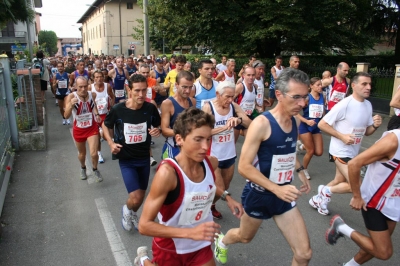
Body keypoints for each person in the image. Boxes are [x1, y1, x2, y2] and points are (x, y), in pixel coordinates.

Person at [214, 68, 312, 265]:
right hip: (259, 194)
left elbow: (287, 151)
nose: (302, 103)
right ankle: (222, 241)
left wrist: (300, 170)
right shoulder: (262, 123)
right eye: (296, 97)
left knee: (304, 254)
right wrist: (275, 188)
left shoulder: (293, 120)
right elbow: (244, 167)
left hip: (283, 196)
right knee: (244, 237)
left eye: (305, 97)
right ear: (279, 95)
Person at [134, 107, 244, 266]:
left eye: (208, 139)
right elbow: (144, 226)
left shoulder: (210, 162)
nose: (205, 147)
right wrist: (190, 233)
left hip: (200, 247)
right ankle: (144, 261)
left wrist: (227, 197)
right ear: (179, 139)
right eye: (198, 139)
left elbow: (207, 186)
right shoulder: (168, 174)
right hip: (170, 249)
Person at [309, 72, 382, 216]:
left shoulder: (367, 105)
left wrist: (375, 126)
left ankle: (318, 198)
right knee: (357, 186)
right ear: (353, 86)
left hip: (353, 152)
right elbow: (323, 124)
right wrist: (341, 136)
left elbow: (366, 132)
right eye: (364, 84)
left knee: (339, 180)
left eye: (370, 84)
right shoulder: (344, 104)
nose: (368, 87)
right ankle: (325, 191)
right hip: (340, 151)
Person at [326, 128, 400, 265]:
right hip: (373, 201)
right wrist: (357, 196)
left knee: (376, 245)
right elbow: (354, 164)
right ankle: (341, 227)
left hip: (394, 202)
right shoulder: (393, 140)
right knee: (384, 252)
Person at [102, 74, 161, 232]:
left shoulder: (150, 108)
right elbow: (105, 124)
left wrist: (157, 130)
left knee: (140, 196)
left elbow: (158, 126)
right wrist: (110, 142)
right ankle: (127, 211)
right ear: (129, 89)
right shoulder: (118, 109)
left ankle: (131, 211)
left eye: (144, 90)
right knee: (135, 197)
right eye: (137, 91)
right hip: (126, 159)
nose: (141, 95)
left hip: (144, 158)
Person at [203, 81, 252, 219]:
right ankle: (203, 211)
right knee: (220, 189)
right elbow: (202, 132)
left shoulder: (233, 106)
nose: (230, 100)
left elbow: (250, 123)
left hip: (229, 155)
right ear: (218, 94)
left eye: (232, 97)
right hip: (213, 155)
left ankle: (210, 206)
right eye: (227, 97)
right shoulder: (208, 107)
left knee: (225, 187)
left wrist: (238, 120)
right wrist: (224, 127)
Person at [64, 76, 103, 182]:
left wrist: (97, 114)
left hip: (91, 128)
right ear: (75, 86)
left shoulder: (92, 94)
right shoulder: (71, 96)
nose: (83, 89)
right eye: (80, 87)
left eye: (85, 86)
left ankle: (95, 170)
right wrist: (70, 106)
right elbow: (66, 116)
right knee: (82, 154)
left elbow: (93, 105)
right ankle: (83, 167)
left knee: (94, 153)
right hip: (79, 129)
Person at [160, 71, 196, 159]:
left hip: (189, 147)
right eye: (184, 87)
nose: (187, 91)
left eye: (190, 87)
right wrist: (186, 132)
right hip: (174, 148)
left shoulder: (192, 101)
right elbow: (164, 131)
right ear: (176, 85)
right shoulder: (168, 103)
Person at [296, 77, 324, 179]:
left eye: (321, 84)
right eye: (318, 85)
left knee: (319, 152)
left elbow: (322, 112)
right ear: (311, 86)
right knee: (311, 151)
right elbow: (296, 112)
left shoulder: (322, 96)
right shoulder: (307, 98)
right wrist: (307, 121)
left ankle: (301, 146)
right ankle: (304, 169)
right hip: (305, 127)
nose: (320, 87)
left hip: (316, 127)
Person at [90, 70, 115, 164]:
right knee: (96, 136)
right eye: (96, 77)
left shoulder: (107, 86)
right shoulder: (90, 87)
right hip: (95, 115)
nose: (99, 79)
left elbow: (112, 96)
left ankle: (113, 148)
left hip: (105, 114)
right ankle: (99, 153)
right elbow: (88, 100)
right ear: (93, 78)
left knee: (106, 136)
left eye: (100, 76)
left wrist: (112, 107)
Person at [233, 66, 259, 142]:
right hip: (238, 117)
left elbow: (252, 99)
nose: (251, 77)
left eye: (253, 75)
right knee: (232, 144)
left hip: (248, 116)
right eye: (248, 75)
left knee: (251, 142)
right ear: (244, 75)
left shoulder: (255, 87)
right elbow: (229, 99)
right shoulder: (240, 87)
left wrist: (257, 106)